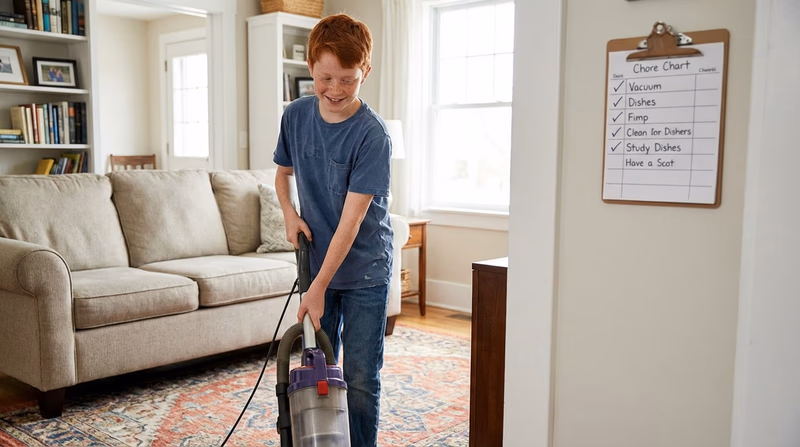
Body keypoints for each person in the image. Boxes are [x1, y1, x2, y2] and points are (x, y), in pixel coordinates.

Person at [273, 13, 394, 447]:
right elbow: (282, 174)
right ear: (310, 68)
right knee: (318, 369)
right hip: (318, 263)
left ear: (365, 72)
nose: (336, 90)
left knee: (359, 378)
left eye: (348, 79)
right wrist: (288, 212)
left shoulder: (372, 135)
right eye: (326, 78)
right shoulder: (297, 115)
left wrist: (318, 286)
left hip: (363, 271)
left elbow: (352, 219)